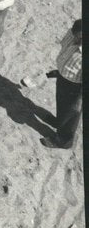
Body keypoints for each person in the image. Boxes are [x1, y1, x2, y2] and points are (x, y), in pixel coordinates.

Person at [42, 19, 82, 150]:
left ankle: (63, 142)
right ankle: (59, 121)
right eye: (75, 34)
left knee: (71, 114)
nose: (75, 38)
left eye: (80, 37)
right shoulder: (73, 33)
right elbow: (64, 51)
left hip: (76, 88)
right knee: (61, 104)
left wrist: (79, 100)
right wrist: (59, 72)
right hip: (63, 78)